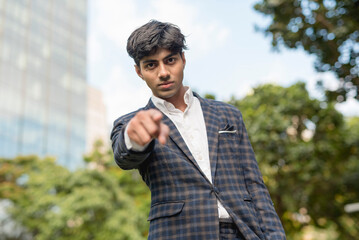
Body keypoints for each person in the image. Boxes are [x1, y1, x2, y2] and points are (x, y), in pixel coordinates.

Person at [111, 20, 286, 240]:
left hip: (244, 232)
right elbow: (123, 157)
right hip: (178, 234)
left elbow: (255, 185)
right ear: (139, 71)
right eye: (151, 65)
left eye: (170, 60)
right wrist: (133, 137)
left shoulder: (228, 115)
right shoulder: (131, 123)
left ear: (183, 59)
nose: (163, 72)